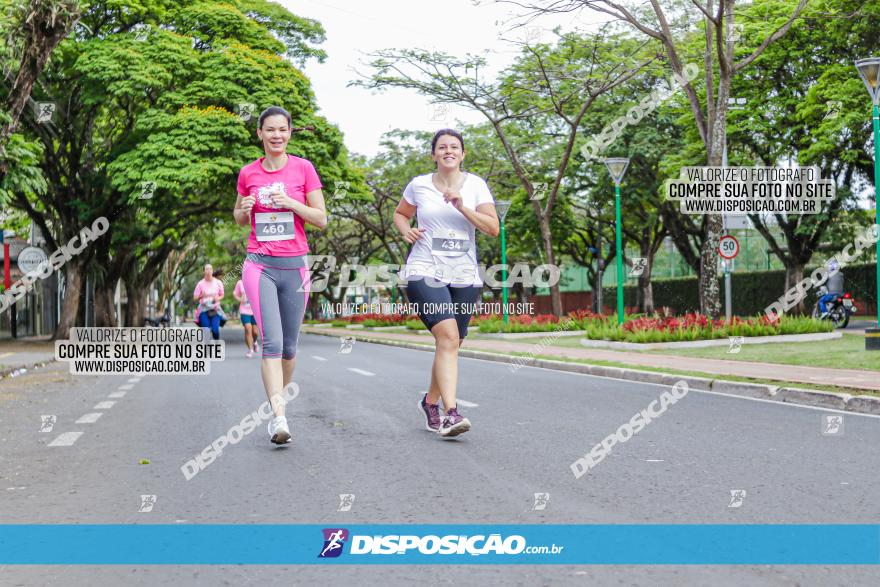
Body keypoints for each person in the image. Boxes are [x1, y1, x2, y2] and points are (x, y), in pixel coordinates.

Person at [394, 128, 499, 438]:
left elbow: (493, 228)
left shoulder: (477, 185)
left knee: (451, 343)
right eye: (442, 147)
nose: (448, 151)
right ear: (434, 154)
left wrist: (461, 206)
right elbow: (401, 214)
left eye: (454, 147)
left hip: (465, 274)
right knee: (449, 337)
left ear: (463, 154)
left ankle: (430, 402)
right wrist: (405, 230)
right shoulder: (419, 185)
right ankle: (451, 414)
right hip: (425, 269)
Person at [233, 106, 327, 445]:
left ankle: (280, 404)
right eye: (269, 130)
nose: (276, 135)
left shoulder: (304, 169)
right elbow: (240, 217)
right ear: (259, 133)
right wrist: (242, 211)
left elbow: (321, 218)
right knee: (271, 343)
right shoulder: (248, 173)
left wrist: (290, 202)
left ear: (289, 133)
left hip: (295, 267)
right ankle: (278, 418)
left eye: (282, 130)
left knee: (289, 348)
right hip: (259, 265)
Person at [193, 263, 225, 340]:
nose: (209, 271)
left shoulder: (218, 282)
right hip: (203, 310)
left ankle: (217, 343)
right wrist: (202, 296)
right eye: (207, 269)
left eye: (210, 269)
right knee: (206, 331)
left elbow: (222, 295)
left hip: (215, 309)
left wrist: (218, 298)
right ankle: (207, 350)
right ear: (204, 271)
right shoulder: (200, 284)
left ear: (212, 271)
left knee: (215, 331)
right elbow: (195, 298)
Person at [233, 278, 260, 357]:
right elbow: (235, 293)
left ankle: (254, 342)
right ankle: (250, 349)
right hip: (244, 310)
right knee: (248, 328)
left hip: (255, 310)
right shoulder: (240, 282)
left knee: (255, 332)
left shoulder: (256, 280)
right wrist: (240, 299)